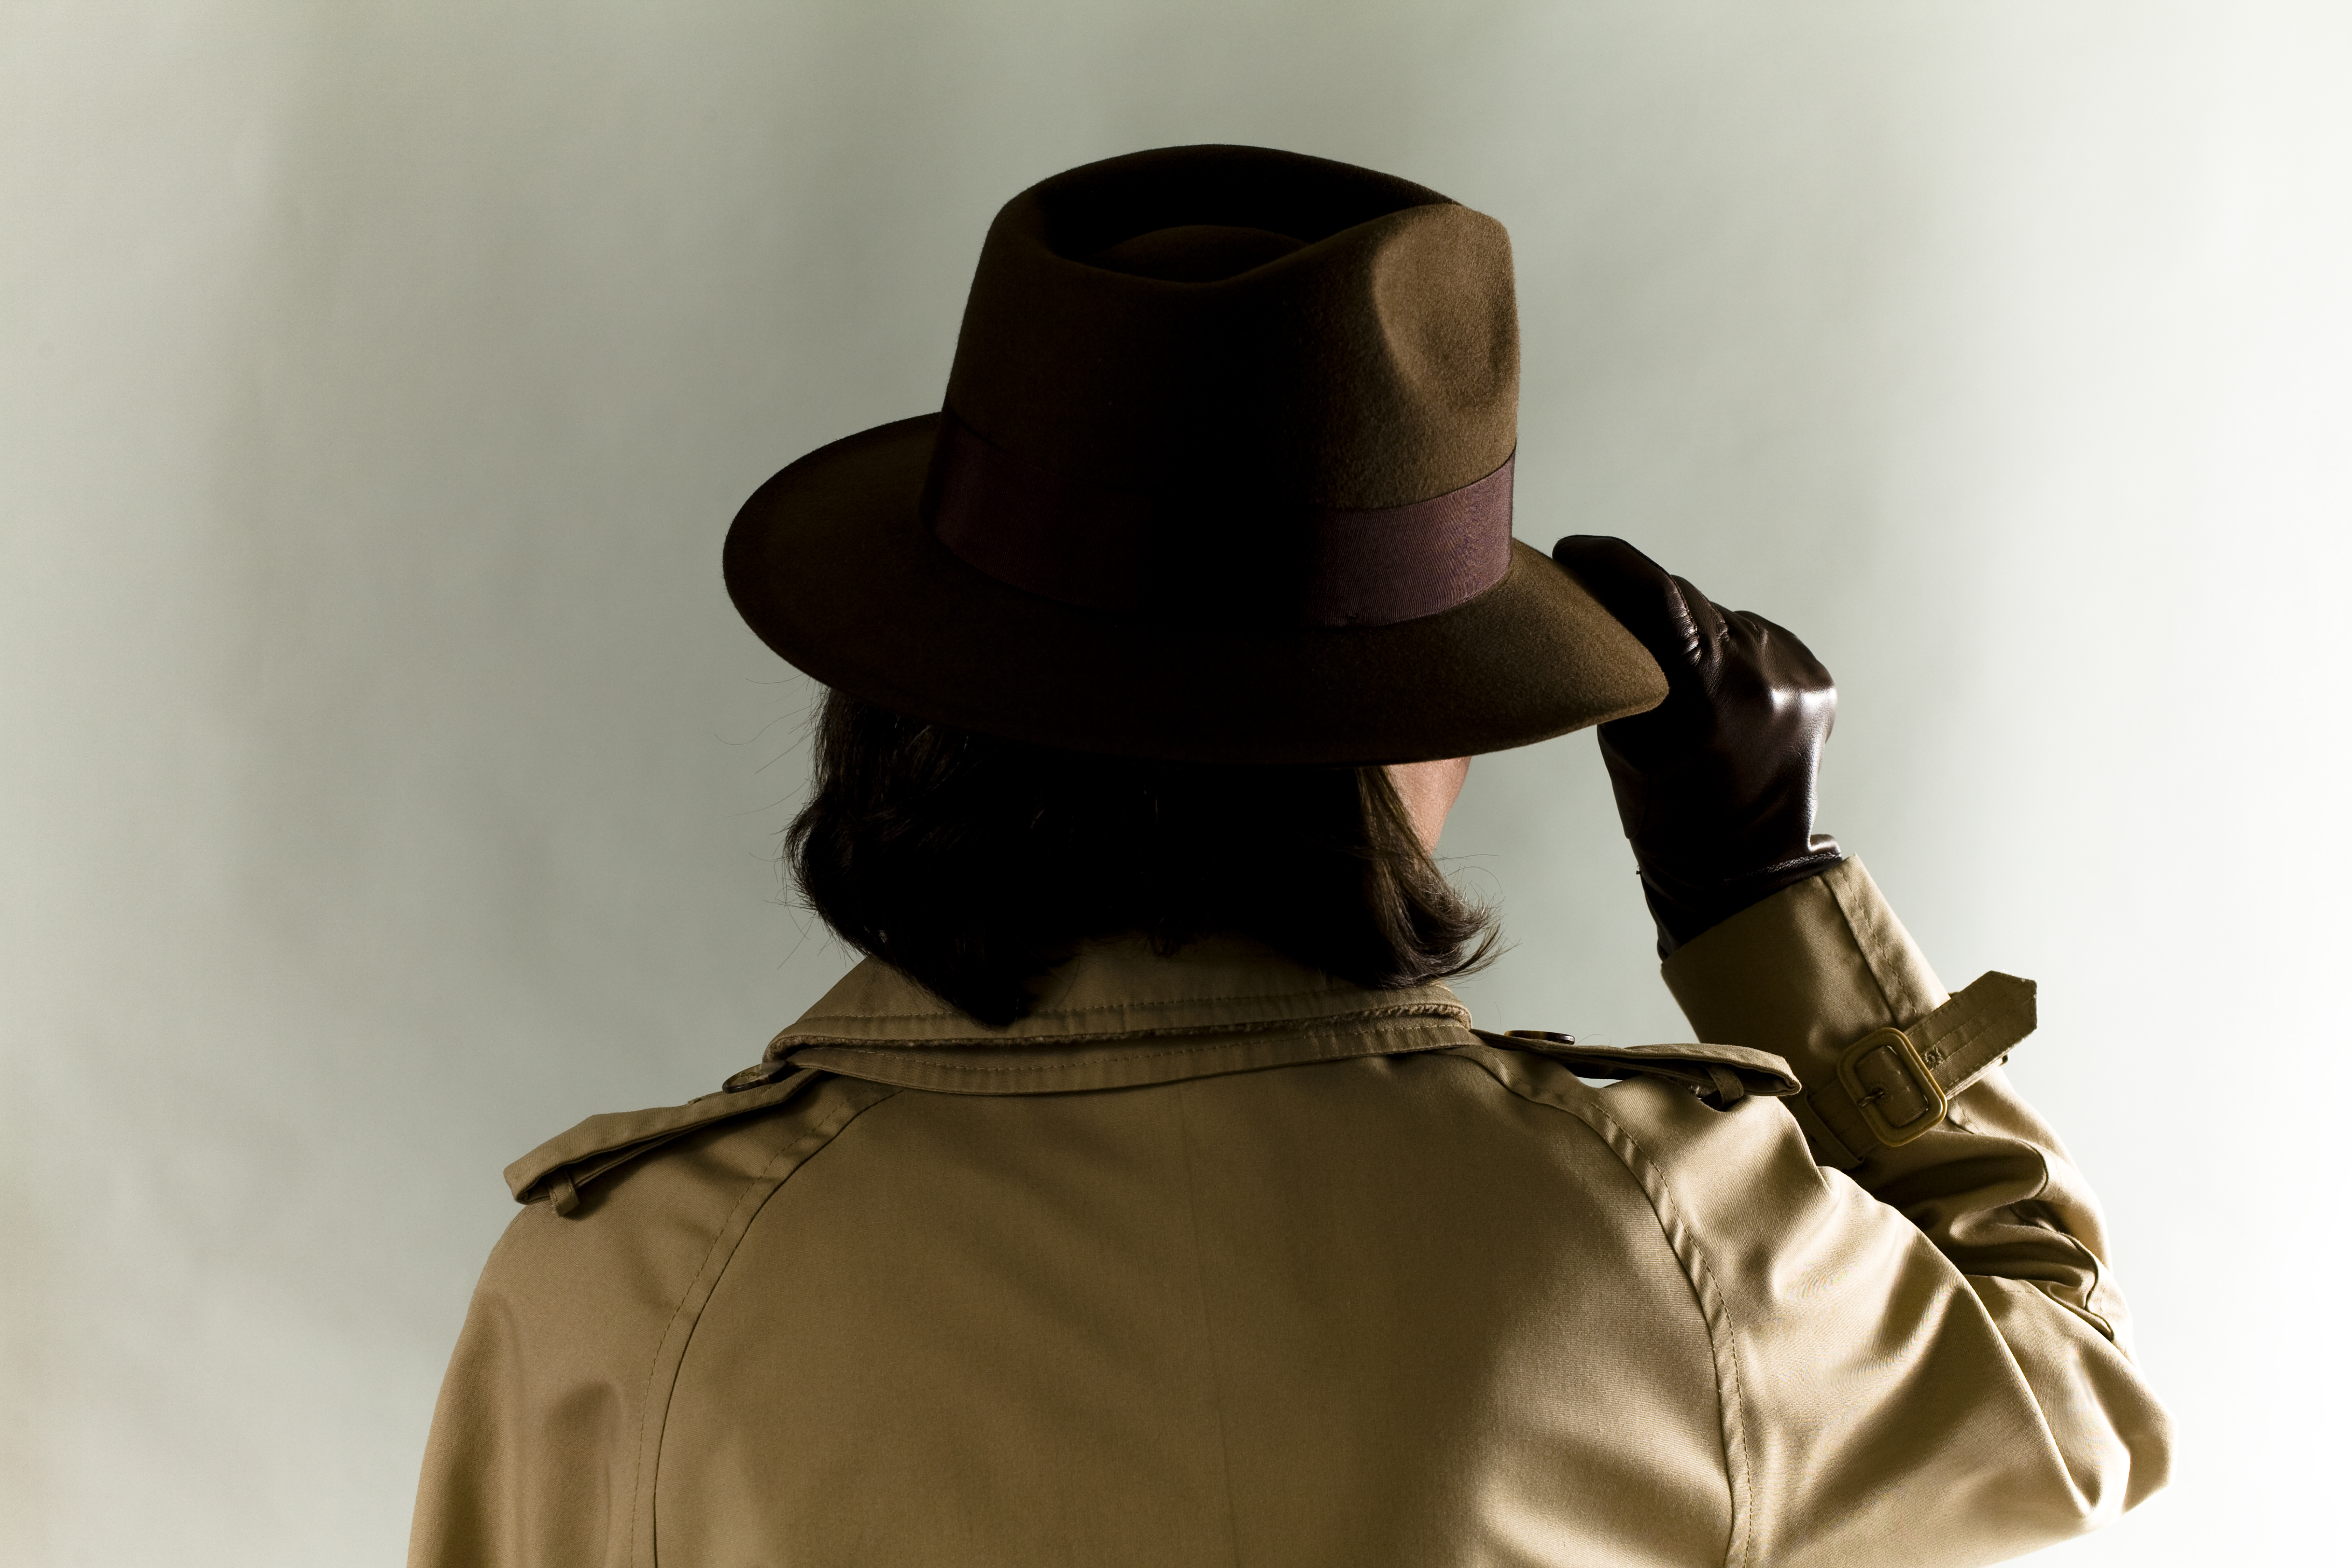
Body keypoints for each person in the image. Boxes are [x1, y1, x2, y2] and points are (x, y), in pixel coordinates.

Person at [407, 145, 2171, 1568]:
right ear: (1420, 726)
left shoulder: (625, 1285)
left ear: (910, 690)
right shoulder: (1676, 1234)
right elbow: (2073, 1413)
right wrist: (1762, 886)